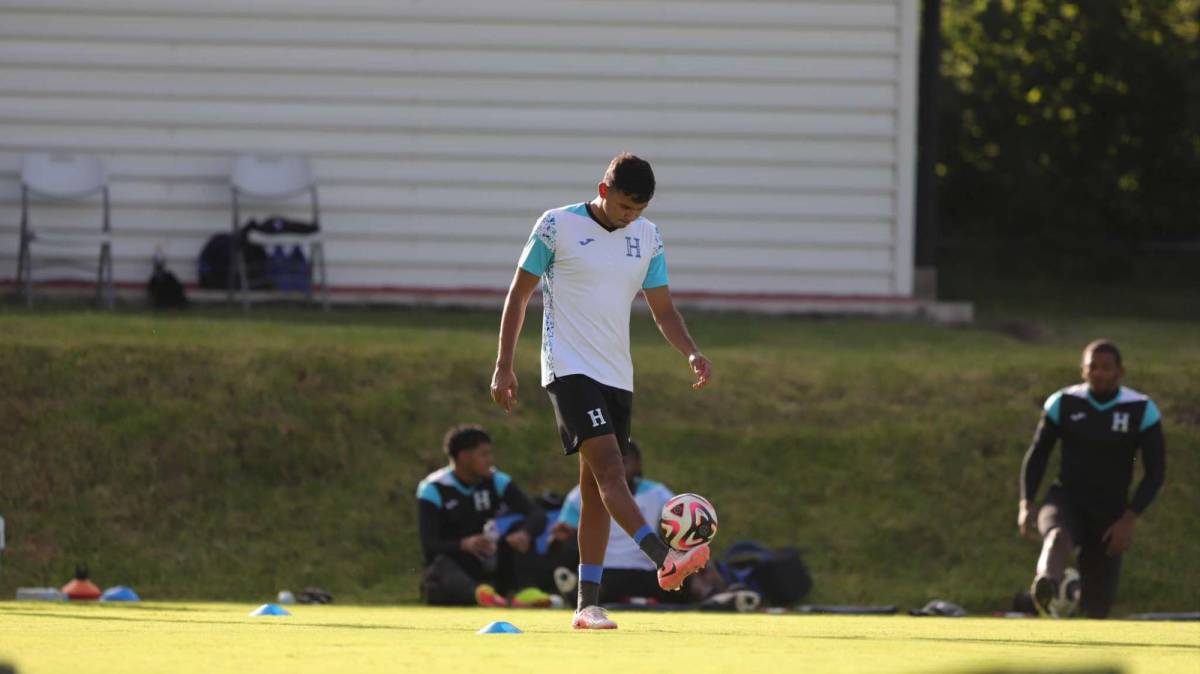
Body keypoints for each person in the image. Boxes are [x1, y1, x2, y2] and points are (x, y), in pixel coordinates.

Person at [490, 152, 714, 630]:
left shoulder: (648, 237)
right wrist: (503, 366)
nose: (631, 217)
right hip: (568, 368)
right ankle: (664, 558)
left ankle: (586, 606)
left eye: (640, 210)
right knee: (614, 469)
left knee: (595, 490)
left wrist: (691, 351)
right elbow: (520, 293)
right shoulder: (556, 226)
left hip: (617, 374)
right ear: (604, 189)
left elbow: (664, 311)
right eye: (625, 207)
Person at [1018, 339, 1166, 618]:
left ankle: (1074, 602)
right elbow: (1038, 455)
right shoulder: (1063, 403)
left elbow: (1155, 471)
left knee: (1098, 607)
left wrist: (1130, 517)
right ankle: (1046, 583)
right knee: (1057, 535)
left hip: (1111, 511)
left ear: (1120, 371)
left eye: (1105, 368)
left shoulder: (1141, 409)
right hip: (1066, 498)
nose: (1098, 373)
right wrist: (1026, 503)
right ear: (1083, 371)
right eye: (1092, 367)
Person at [549, 440, 720, 604]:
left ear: (638, 464)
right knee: (584, 577)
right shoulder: (581, 494)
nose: (620, 465)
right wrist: (561, 537)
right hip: (604, 573)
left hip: (652, 573)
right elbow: (558, 540)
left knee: (686, 577)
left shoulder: (658, 494)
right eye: (614, 459)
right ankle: (579, 594)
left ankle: (716, 598)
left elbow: (684, 527)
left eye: (625, 459)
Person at [416, 425, 548, 607]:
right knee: (439, 567)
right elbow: (429, 545)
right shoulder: (434, 488)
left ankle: (524, 591)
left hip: (489, 560)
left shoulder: (496, 481)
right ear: (463, 457)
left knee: (519, 528)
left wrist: (525, 533)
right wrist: (464, 544)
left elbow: (537, 513)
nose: (490, 461)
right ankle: (478, 594)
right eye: (484, 455)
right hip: (456, 567)